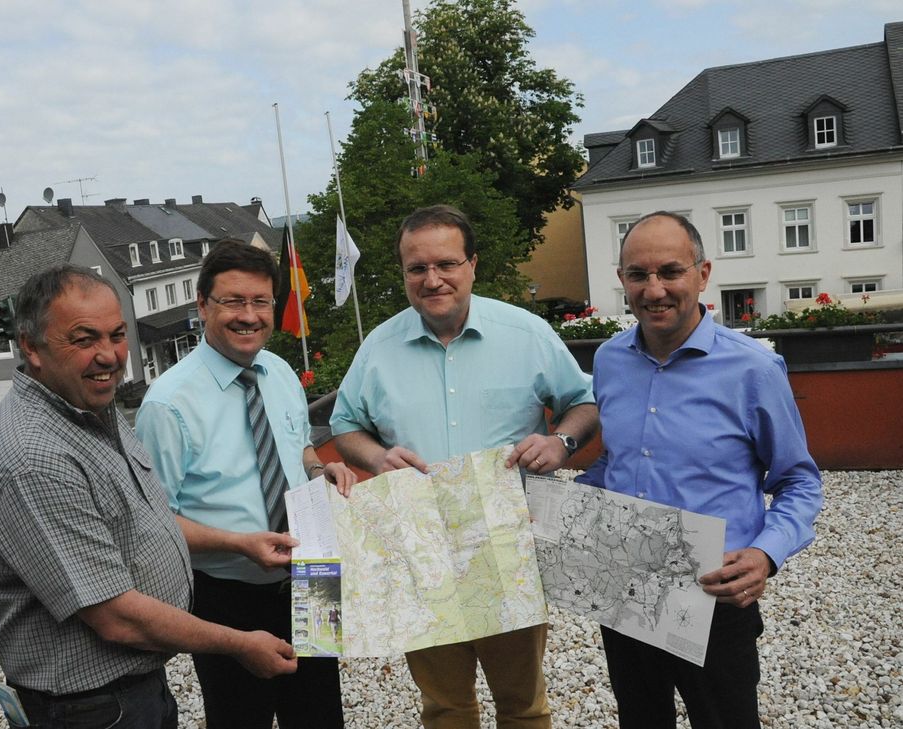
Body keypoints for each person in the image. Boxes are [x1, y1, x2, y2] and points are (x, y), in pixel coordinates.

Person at [0, 265, 298, 729]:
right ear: (31, 346)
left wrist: (240, 543)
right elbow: (118, 617)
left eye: (117, 335)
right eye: (84, 340)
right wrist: (240, 644)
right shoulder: (32, 457)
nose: (109, 356)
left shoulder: (89, 406)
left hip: (133, 687)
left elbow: (148, 518)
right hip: (88, 707)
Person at [330, 204, 599, 729]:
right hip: (417, 551)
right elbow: (344, 425)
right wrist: (377, 456)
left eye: (446, 264)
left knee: (522, 706)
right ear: (403, 273)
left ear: (472, 264)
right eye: (417, 268)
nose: (433, 280)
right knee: (446, 707)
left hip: (507, 550)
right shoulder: (378, 348)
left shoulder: (526, 334)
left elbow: (584, 404)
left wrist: (562, 441)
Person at [577, 211, 823, 729]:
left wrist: (765, 553)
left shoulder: (752, 368)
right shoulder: (609, 359)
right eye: (638, 275)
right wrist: (562, 508)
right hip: (625, 583)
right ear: (622, 280)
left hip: (714, 594)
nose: (655, 289)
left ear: (703, 274)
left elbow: (798, 480)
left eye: (671, 271)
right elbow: (615, 461)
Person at [136, 241, 357, 729]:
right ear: (202, 305)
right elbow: (151, 523)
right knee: (241, 719)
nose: (249, 315)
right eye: (233, 301)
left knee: (321, 716)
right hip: (227, 592)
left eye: (260, 302)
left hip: (313, 574)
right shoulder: (167, 404)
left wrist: (324, 471)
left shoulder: (279, 372)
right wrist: (239, 544)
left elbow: (299, 451)